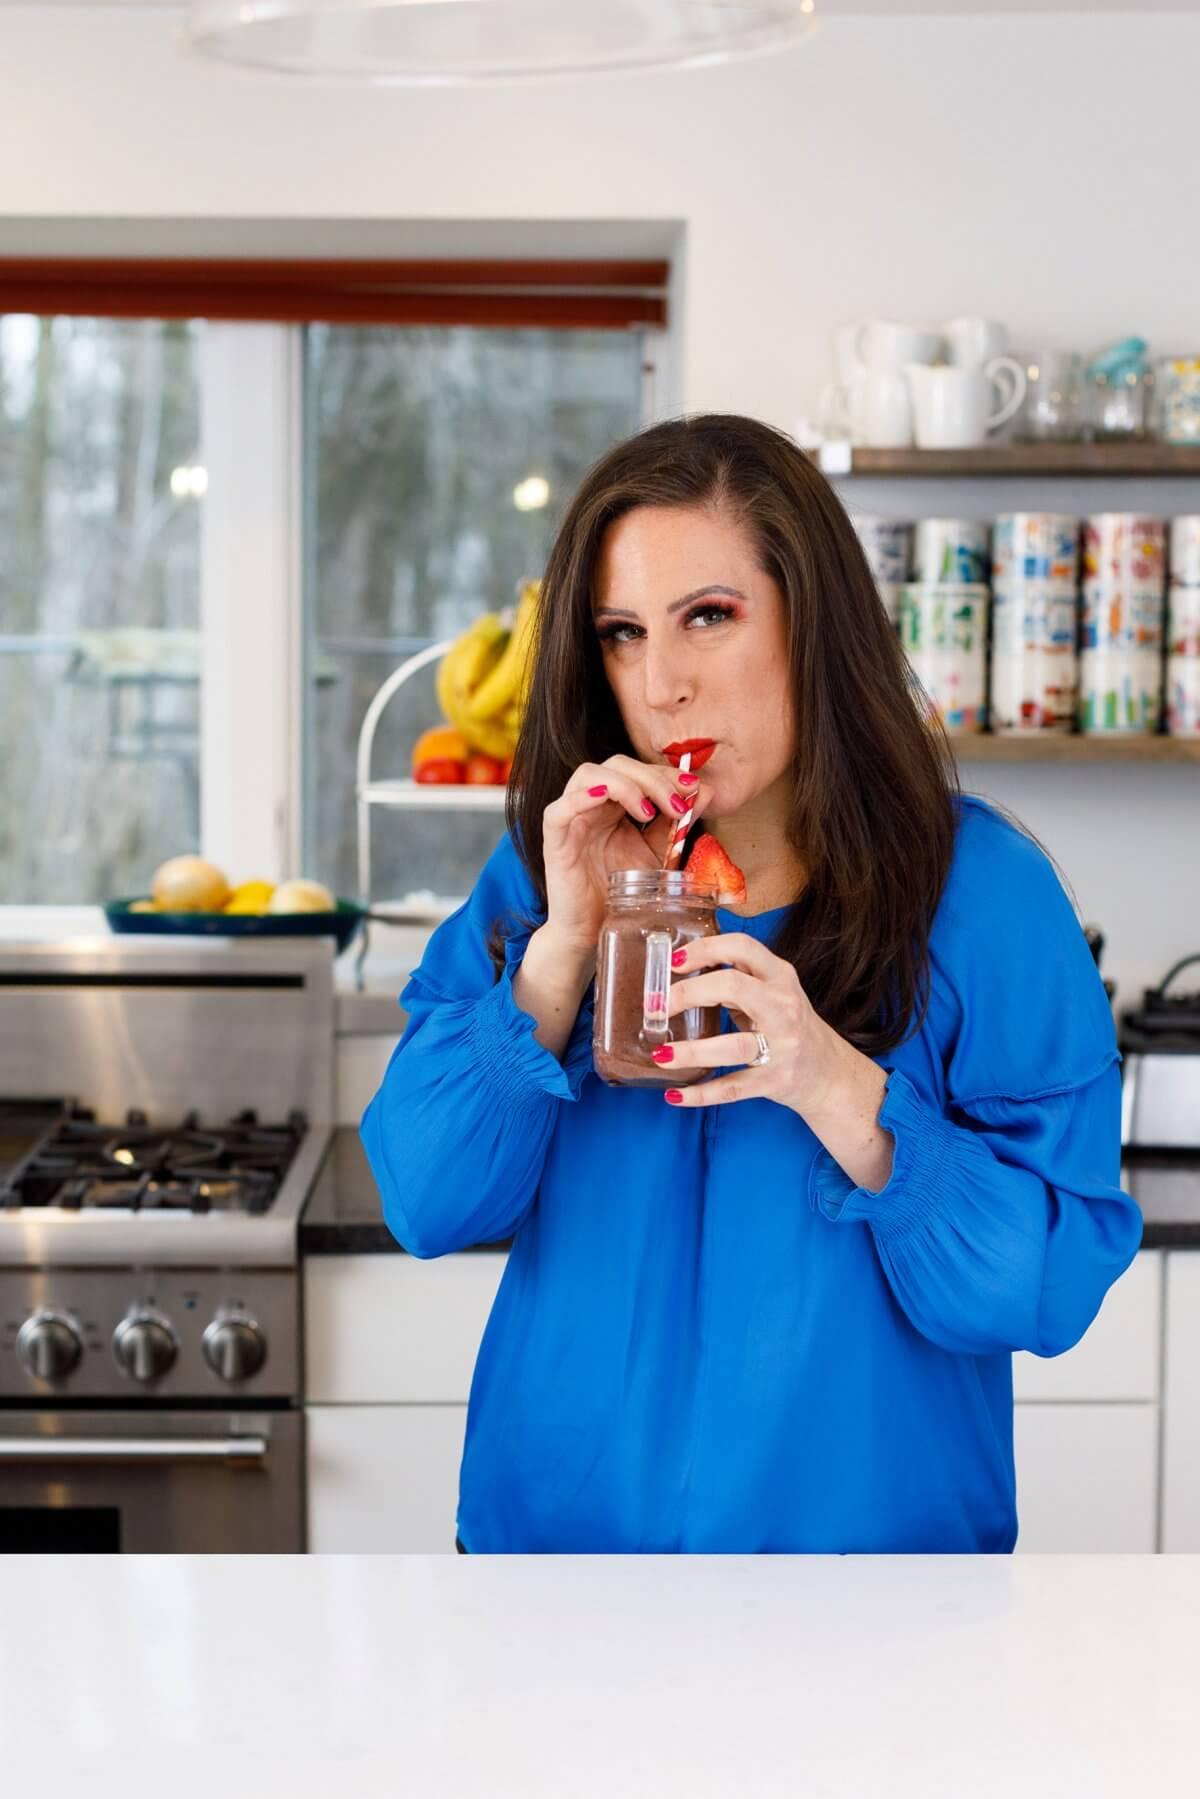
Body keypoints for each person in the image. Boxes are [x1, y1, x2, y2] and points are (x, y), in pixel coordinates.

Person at [361, 412, 1142, 1554]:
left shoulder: (981, 893)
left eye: (709, 618)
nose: (661, 682)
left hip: (869, 1603)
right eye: (621, 633)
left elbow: (1047, 1287)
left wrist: (837, 1086)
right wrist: (561, 951)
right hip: (554, 1580)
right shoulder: (547, 871)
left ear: (811, 626)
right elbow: (423, 1200)